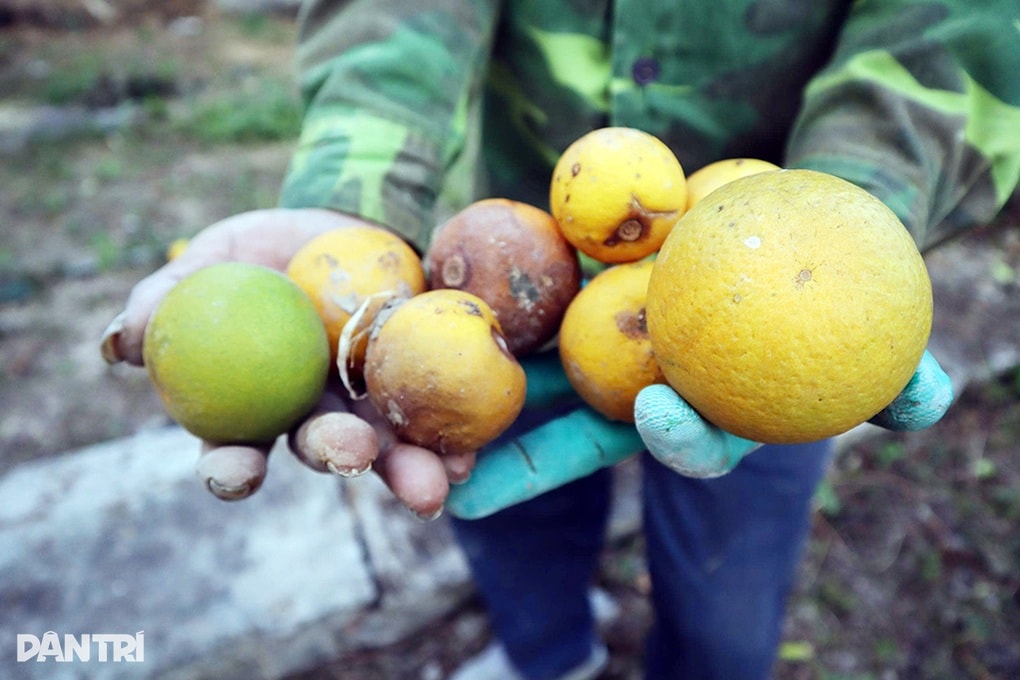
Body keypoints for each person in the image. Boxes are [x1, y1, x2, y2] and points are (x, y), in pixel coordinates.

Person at [101, 2, 1019, 678]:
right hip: (505, 248)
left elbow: (961, 21)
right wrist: (356, 190)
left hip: (786, 295)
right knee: (506, 516)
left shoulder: (800, 296)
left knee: (728, 606)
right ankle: (550, 657)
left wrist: (851, 220)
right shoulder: (458, 319)